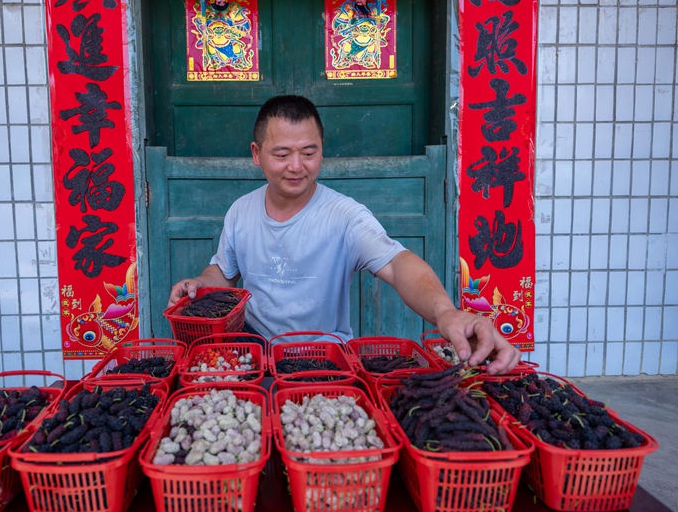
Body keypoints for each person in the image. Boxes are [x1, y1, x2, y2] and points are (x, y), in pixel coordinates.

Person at [168, 96, 522, 375]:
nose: (297, 166)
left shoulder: (345, 216)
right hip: (253, 354)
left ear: (322, 150)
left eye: (309, 152)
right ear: (256, 155)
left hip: (323, 359)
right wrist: (199, 282)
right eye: (282, 154)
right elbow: (223, 273)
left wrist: (446, 313)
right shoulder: (241, 211)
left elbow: (399, 265)